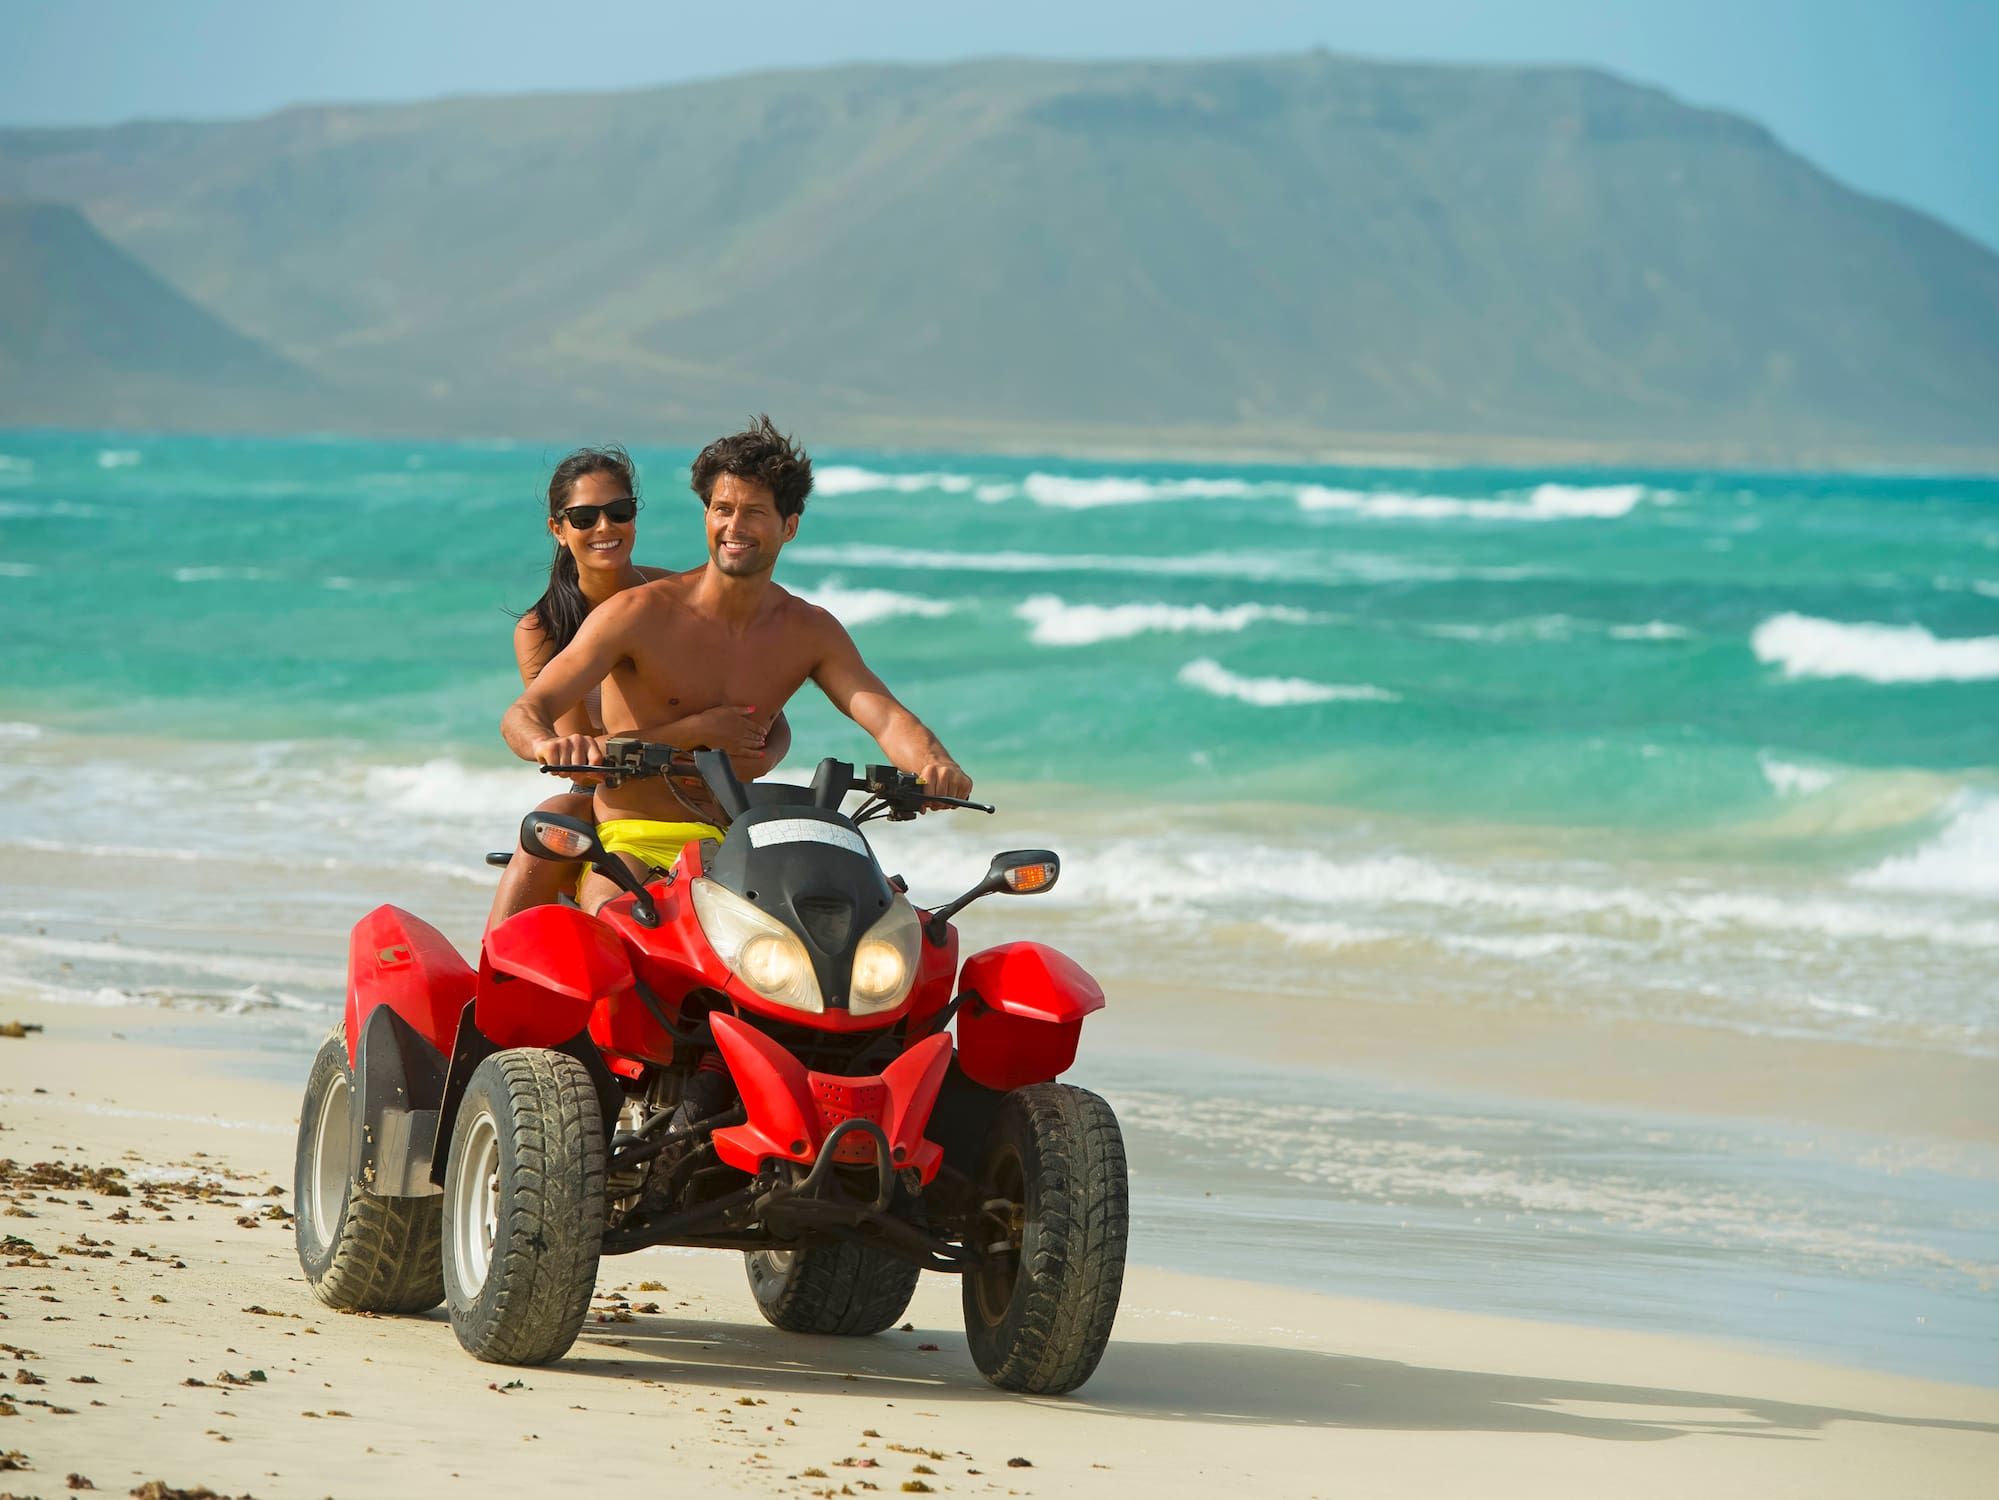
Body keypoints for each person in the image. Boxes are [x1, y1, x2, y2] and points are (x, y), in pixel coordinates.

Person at [500, 415, 970, 914]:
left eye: (755, 513)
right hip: (635, 839)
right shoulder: (636, 613)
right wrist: (549, 744)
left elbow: (887, 716)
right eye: (722, 508)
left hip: (748, 847)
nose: (735, 526)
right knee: (611, 932)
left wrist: (934, 764)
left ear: (789, 526)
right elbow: (525, 713)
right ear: (705, 515)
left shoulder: (809, 629)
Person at [486, 445, 788, 931]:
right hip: (616, 796)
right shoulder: (542, 630)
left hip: (708, 794)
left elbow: (765, 711)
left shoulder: (678, 598)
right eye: (584, 518)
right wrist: (695, 731)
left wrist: (763, 756)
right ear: (558, 530)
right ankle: (493, 977)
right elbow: (579, 767)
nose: (604, 528)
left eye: (618, 512)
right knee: (553, 814)